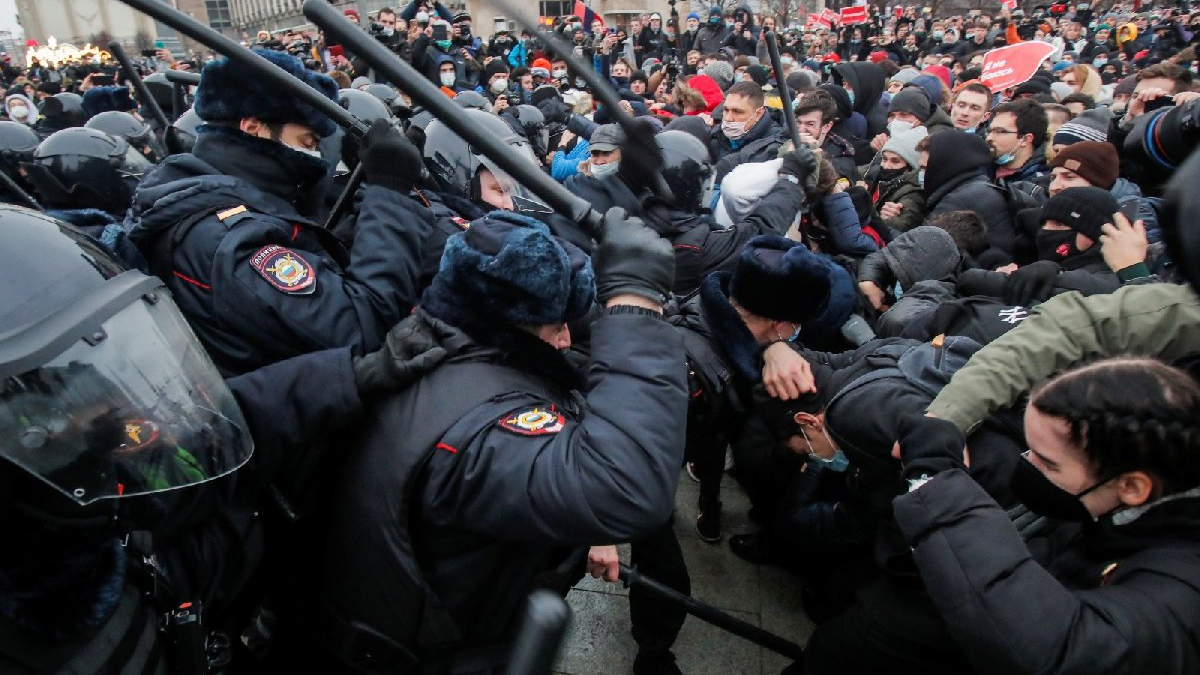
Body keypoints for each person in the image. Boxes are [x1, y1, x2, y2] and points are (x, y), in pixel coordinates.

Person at [293, 209, 687, 674]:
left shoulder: (420, 349)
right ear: (520, 324)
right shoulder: (483, 427)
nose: (566, 338)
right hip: (426, 651)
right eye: (557, 324)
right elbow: (625, 489)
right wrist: (636, 307)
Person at [0, 205, 364, 674]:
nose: (120, 422)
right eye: (57, 410)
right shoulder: (51, 607)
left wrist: (346, 378)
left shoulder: (68, 527)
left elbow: (191, 464)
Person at [125, 49, 430, 376]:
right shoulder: (231, 238)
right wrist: (389, 193)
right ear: (253, 127)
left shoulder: (225, 198)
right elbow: (360, 329)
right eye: (306, 140)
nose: (314, 155)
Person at [891, 358, 1200, 675]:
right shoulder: (1118, 510)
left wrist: (934, 483)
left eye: (1048, 464)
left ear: (1132, 487)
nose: (1026, 463)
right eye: (1029, 449)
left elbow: (1067, 653)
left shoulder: (1184, 586)